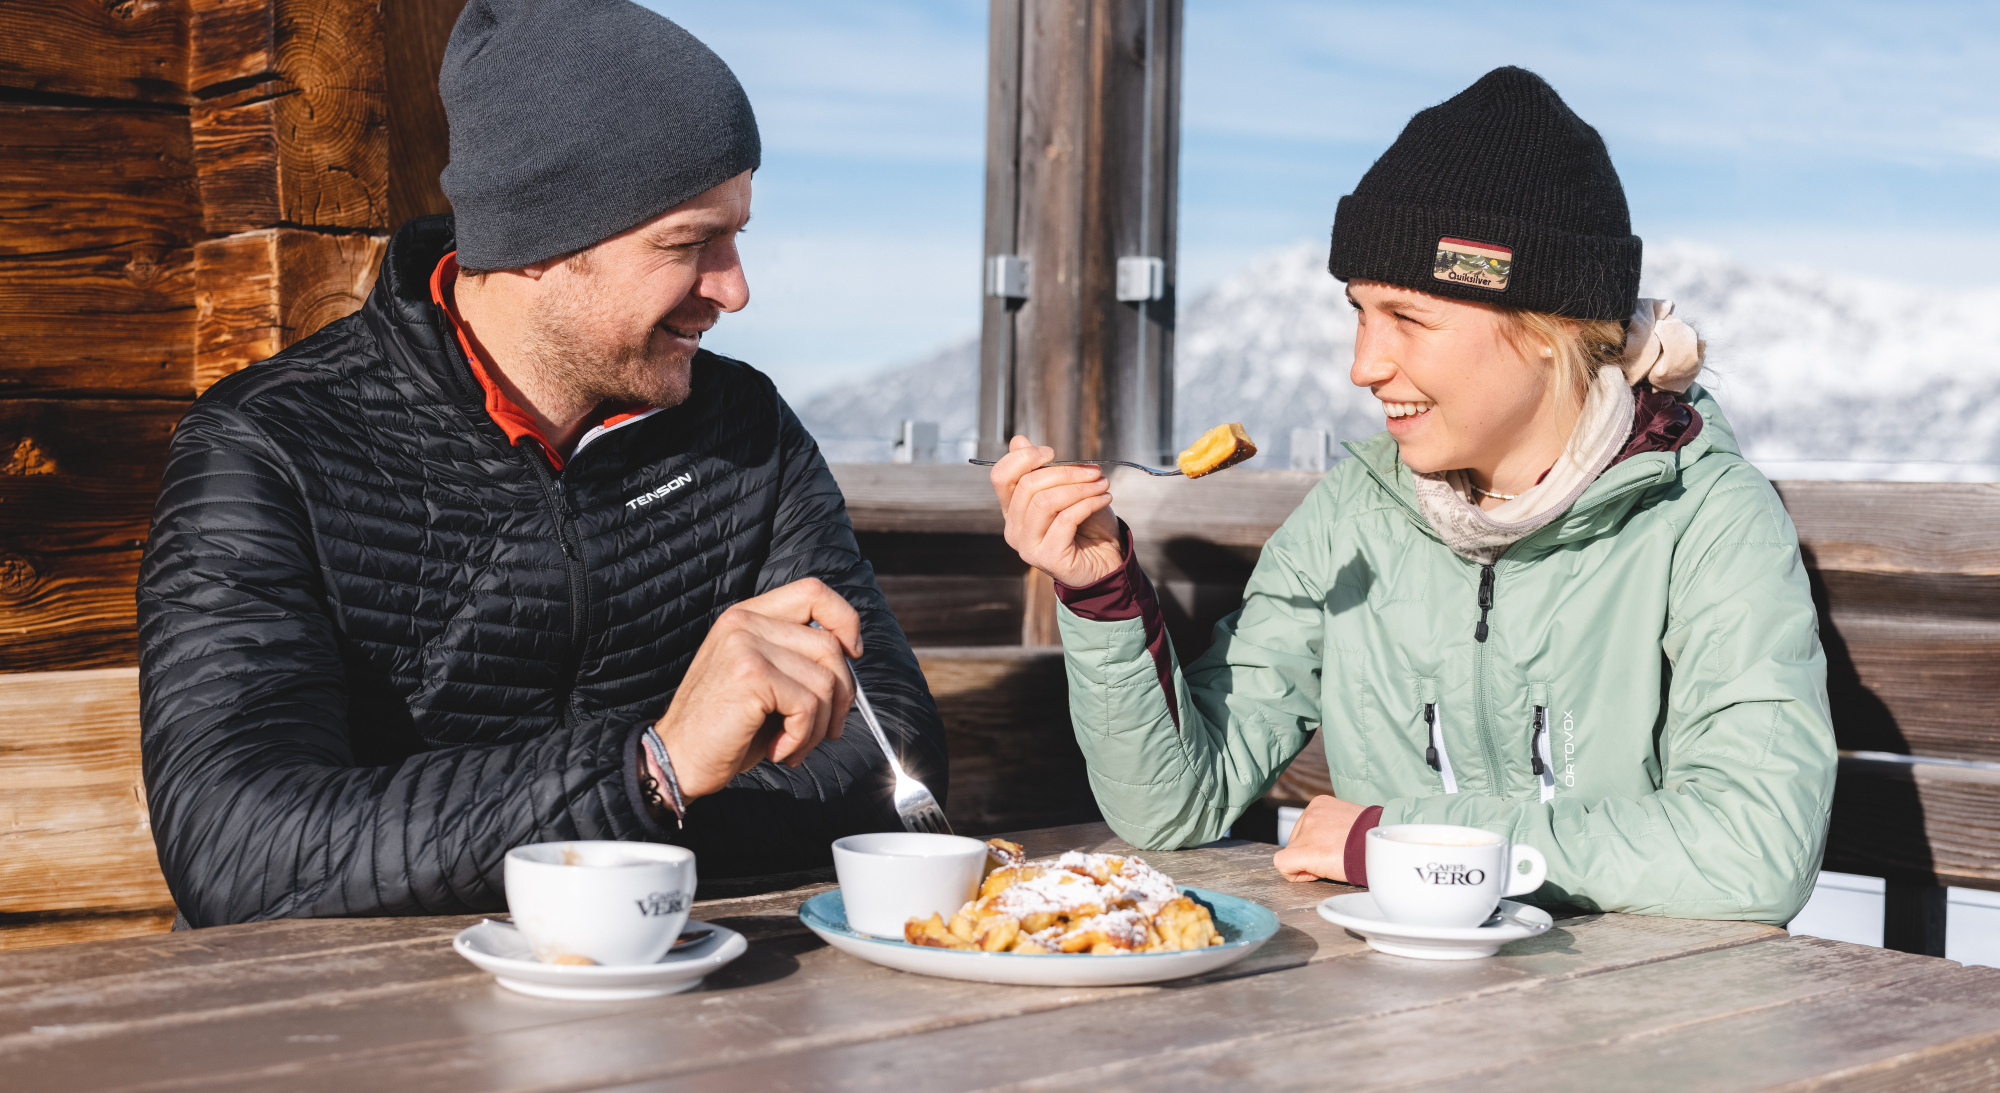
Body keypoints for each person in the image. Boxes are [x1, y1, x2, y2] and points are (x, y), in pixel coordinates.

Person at [138, 0, 945, 928]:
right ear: (534, 246)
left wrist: (629, 809)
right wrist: (652, 769)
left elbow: (893, 770)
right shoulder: (267, 446)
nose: (733, 287)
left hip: (693, 1008)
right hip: (357, 1031)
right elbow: (240, 852)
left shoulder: (744, 427)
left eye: (737, 236)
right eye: (688, 243)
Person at [990, 67, 1835, 925]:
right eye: (1359, 312)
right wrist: (1099, 590)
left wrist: (1398, 838)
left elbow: (1751, 851)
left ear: (1550, 328)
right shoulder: (1355, 517)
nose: (1364, 365)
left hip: (1640, 1021)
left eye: (1408, 319)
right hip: (1392, 1021)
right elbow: (1174, 805)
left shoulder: (1706, 519)